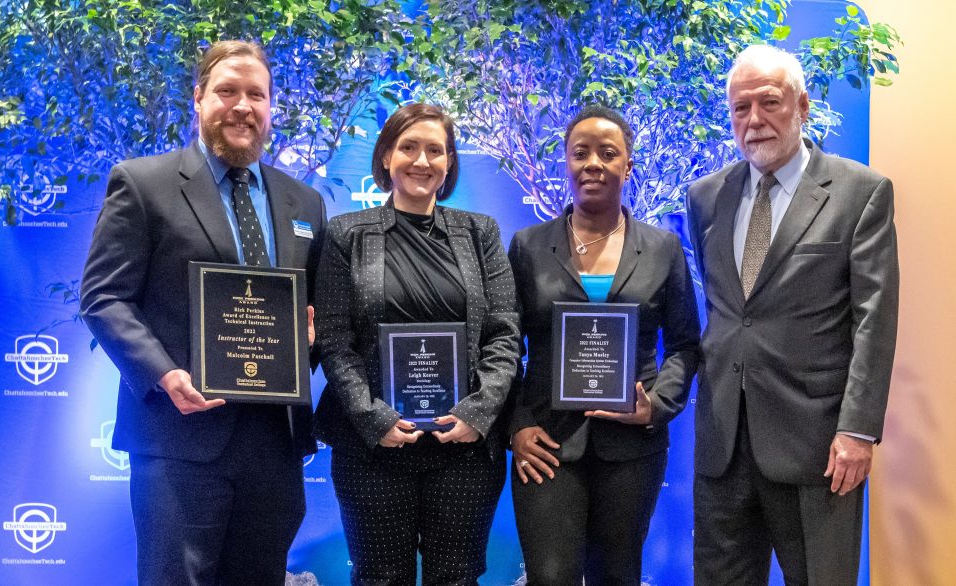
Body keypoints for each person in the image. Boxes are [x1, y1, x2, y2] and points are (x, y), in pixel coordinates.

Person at [79, 40, 326, 585]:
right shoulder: (144, 183)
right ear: (198, 98)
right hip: (178, 438)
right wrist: (164, 374)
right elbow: (102, 297)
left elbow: (314, 309)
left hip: (273, 444)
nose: (243, 106)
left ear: (271, 108)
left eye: (256, 95)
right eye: (227, 92)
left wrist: (308, 338)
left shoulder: (304, 202)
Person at [686, 44, 899, 585]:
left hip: (818, 447)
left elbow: (874, 320)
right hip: (724, 445)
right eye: (740, 108)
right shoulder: (706, 197)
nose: (753, 120)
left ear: (802, 106)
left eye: (769, 103)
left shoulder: (859, 193)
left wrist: (858, 430)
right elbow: (729, 311)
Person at [312, 103, 521, 584]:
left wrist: (479, 411)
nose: (421, 161)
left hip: (464, 449)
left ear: (449, 163)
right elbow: (336, 340)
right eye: (409, 147)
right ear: (386, 156)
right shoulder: (346, 234)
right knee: (379, 576)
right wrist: (372, 416)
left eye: (435, 150)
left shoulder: (480, 232)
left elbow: (505, 330)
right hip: (374, 449)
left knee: (457, 577)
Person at [507, 105, 701, 585]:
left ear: (628, 166)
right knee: (550, 576)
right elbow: (503, 345)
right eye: (580, 153)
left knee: (617, 575)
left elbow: (685, 343)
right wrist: (516, 426)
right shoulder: (528, 246)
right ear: (566, 164)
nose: (593, 163)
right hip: (546, 443)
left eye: (608, 153)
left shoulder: (662, 248)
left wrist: (656, 406)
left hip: (633, 447)